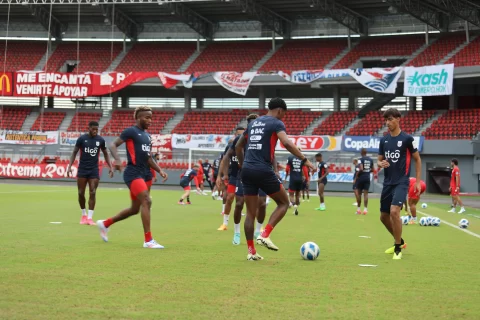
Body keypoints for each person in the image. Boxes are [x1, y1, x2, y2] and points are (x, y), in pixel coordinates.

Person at [236, 97, 315, 261]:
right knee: (284, 203)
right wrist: (304, 159)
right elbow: (286, 143)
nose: (283, 117)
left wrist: (244, 165)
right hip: (263, 169)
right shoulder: (276, 123)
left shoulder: (253, 123)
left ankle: (251, 252)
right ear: (280, 110)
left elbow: (238, 146)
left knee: (250, 214)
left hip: (247, 171)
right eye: (283, 114)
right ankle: (265, 234)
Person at [96, 106, 168, 249]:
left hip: (146, 174)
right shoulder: (131, 131)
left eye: (151, 118)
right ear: (138, 118)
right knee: (147, 201)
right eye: (147, 117)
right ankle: (148, 240)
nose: (150, 120)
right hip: (133, 172)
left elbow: (148, 158)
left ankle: (105, 224)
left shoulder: (147, 136)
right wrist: (117, 160)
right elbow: (112, 145)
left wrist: (159, 170)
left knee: (135, 209)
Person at [378, 108, 422, 260]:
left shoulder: (407, 139)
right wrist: (380, 163)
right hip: (388, 182)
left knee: (394, 211)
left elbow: (417, 159)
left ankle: (397, 248)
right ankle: (401, 241)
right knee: (383, 217)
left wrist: (416, 181)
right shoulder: (383, 140)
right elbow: (379, 160)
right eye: (386, 120)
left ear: (398, 119)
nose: (387, 123)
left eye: (390, 119)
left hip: (402, 182)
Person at [230, 114, 267, 245]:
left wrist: (274, 170)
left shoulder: (264, 138)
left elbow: (272, 156)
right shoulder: (240, 139)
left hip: (262, 173)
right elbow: (228, 155)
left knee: (262, 204)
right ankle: (236, 233)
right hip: (244, 174)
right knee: (239, 203)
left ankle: (257, 231)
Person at [67, 121, 113, 226]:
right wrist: (69, 166)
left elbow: (106, 153)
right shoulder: (82, 139)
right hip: (82, 169)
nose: (95, 131)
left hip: (94, 169)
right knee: (80, 193)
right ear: (89, 128)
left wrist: (110, 166)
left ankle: (90, 218)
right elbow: (74, 152)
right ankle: (83, 214)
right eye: (93, 129)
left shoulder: (100, 140)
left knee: (92, 192)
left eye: (97, 129)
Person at [217, 127, 245, 231]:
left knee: (245, 201)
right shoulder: (230, 147)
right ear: (235, 135)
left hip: (245, 176)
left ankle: (258, 226)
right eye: (239, 135)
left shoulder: (248, 146)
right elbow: (224, 160)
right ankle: (225, 224)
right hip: (233, 176)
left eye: (242, 135)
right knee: (229, 198)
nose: (240, 137)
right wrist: (221, 175)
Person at [284, 147, 306, 216]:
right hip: (299, 179)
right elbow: (303, 169)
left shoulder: (290, 157)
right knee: (297, 195)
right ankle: (296, 208)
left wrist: (286, 177)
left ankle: (294, 206)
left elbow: (287, 169)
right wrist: (304, 176)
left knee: (291, 194)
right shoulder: (302, 159)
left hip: (293, 179)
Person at [355, 148, 374, 215]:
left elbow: (361, 169)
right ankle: (365, 210)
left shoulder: (360, 159)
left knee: (358, 193)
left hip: (361, 178)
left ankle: (358, 209)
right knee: (366, 194)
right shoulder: (371, 160)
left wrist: (357, 175)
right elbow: (372, 170)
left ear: (361, 152)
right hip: (367, 177)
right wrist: (367, 171)